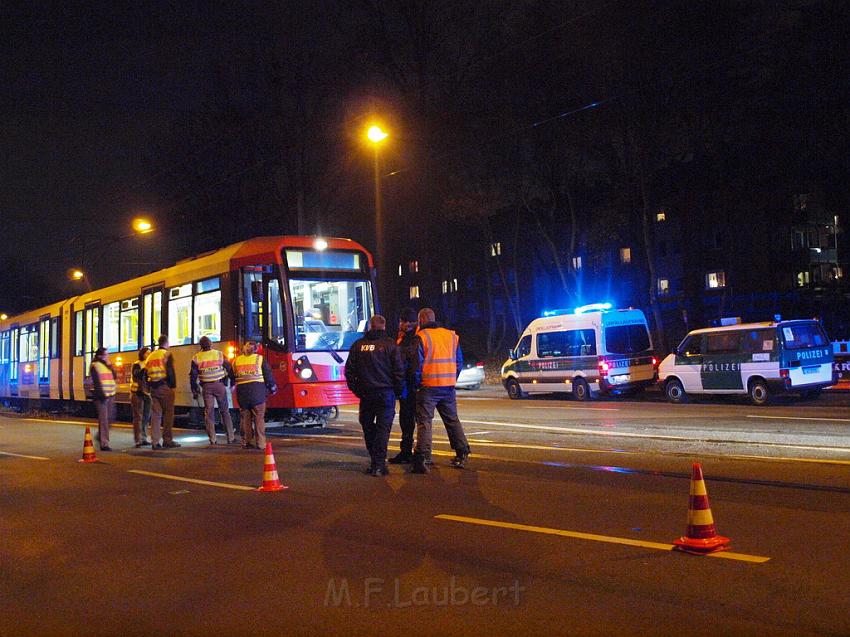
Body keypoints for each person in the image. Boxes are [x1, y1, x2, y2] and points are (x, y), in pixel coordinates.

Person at [412, 307, 471, 473]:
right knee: (452, 420)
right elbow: (459, 362)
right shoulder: (451, 335)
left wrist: (418, 384)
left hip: (428, 386)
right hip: (448, 386)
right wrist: (452, 378)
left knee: (424, 422)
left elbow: (417, 365)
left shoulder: (422, 337)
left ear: (421, 320)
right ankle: (462, 452)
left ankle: (423, 458)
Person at [344, 315, 404, 476]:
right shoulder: (391, 345)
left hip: (366, 394)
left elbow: (349, 371)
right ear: (384, 327)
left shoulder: (358, 345)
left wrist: (357, 390)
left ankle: (375, 461)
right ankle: (378, 464)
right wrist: (398, 391)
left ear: (370, 326)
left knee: (368, 427)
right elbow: (398, 372)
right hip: (385, 393)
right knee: (383, 430)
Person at [190, 336, 236, 445]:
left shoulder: (196, 357)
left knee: (209, 413)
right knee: (224, 411)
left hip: (206, 387)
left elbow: (193, 375)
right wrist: (232, 382)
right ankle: (230, 437)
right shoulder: (219, 354)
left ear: (200, 346)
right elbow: (229, 368)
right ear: (211, 344)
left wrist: (194, 389)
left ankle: (213, 439)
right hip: (219, 385)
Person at [230, 341, 276, 450]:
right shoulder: (259, 359)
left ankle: (246, 442)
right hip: (257, 393)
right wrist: (272, 387)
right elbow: (268, 374)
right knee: (259, 418)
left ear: (243, 349)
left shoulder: (236, 360)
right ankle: (260, 443)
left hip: (242, 394)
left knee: (245, 419)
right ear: (255, 349)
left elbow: (232, 377)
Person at [388, 307, 419, 464]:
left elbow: (403, 360)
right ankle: (412, 451)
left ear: (407, 323)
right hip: (411, 384)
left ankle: (410, 452)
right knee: (410, 419)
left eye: (401, 322)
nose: (399, 325)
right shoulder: (409, 337)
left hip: (411, 385)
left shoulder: (412, 338)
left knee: (409, 420)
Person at [145, 334, 181, 450]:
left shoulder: (150, 356)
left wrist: (149, 385)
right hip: (165, 386)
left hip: (153, 388)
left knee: (155, 415)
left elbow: (145, 373)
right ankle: (167, 440)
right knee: (168, 415)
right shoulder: (166, 354)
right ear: (166, 343)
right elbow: (170, 371)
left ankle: (155, 442)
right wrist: (173, 386)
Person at [90, 347, 117, 451]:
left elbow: (114, 376)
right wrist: (101, 395)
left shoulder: (107, 365)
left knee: (110, 418)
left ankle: (101, 436)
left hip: (110, 395)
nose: (108, 356)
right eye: (106, 354)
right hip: (101, 397)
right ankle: (104, 443)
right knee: (104, 420)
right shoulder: (95, 365)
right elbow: (97, 382)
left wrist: (110, 365)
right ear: (100, 356)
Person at [130, 347, 151, 447]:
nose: (148, 355)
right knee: (138, 417)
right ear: (142, 354)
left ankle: (144, 437)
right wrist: (144, 370)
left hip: (147, 393)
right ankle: (138, 440)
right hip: (137, 393)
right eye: (147, 353)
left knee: (146, 417)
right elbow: (136, 375)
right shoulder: (137, 364)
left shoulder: (149, 364)